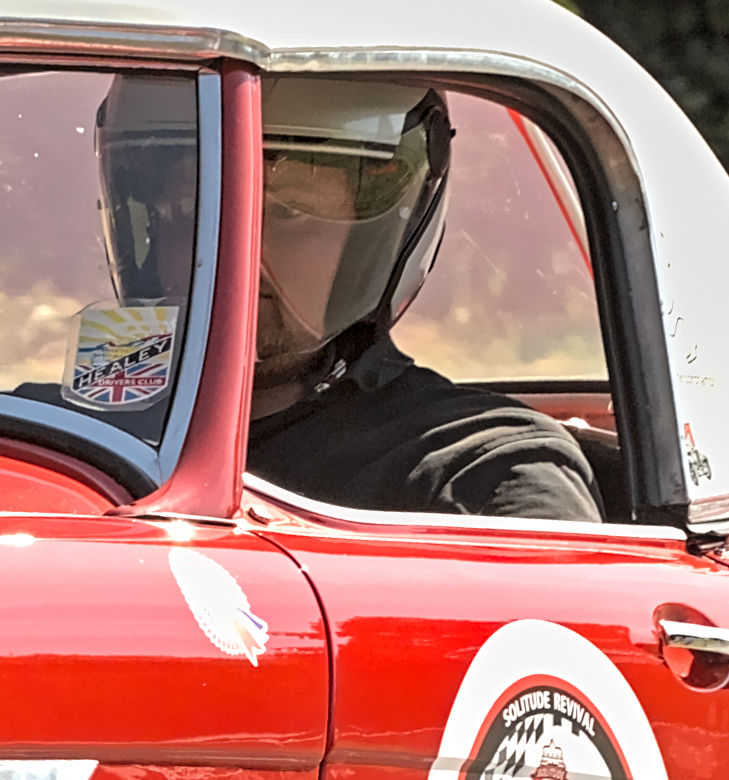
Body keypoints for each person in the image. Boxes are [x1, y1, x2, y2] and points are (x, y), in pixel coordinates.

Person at [242, 79, 602, 520]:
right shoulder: (135, 437)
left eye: (289, 211)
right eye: (187, 204)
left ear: (367, 246)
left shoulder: (477, 468)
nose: (231, 247)